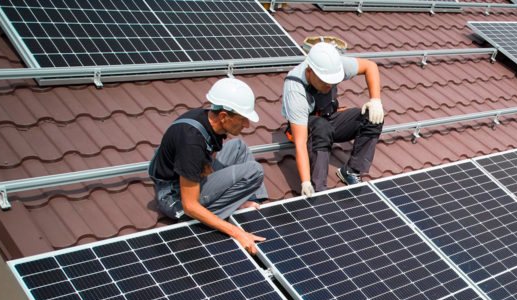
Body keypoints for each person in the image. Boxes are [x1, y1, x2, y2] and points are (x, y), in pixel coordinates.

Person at [149, 77, 267, 255]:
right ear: (223, 116)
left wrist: (207, 167)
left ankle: (253, 203)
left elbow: (209, 155)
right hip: (175, 196)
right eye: (242, 119)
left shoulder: (207, 119)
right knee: (254, 171)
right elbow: (190, 205)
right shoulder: (191, 142)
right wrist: (237, 233)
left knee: (239, 147)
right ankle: (207, 218)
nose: (247, 124)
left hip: (190, 176)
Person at [281, 41, 384, 196]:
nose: (329, 86)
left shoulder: (333, 65)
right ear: (310, 71)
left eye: (333, 82)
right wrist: (305, 182)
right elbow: (300, 143)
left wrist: (375, 100)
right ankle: (318, 190)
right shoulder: (295, 89)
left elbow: (370, 66)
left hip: (329, 118)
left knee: (373, 117)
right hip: (305, 126)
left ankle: (351, 171)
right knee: (321, 127)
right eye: (325, 82)